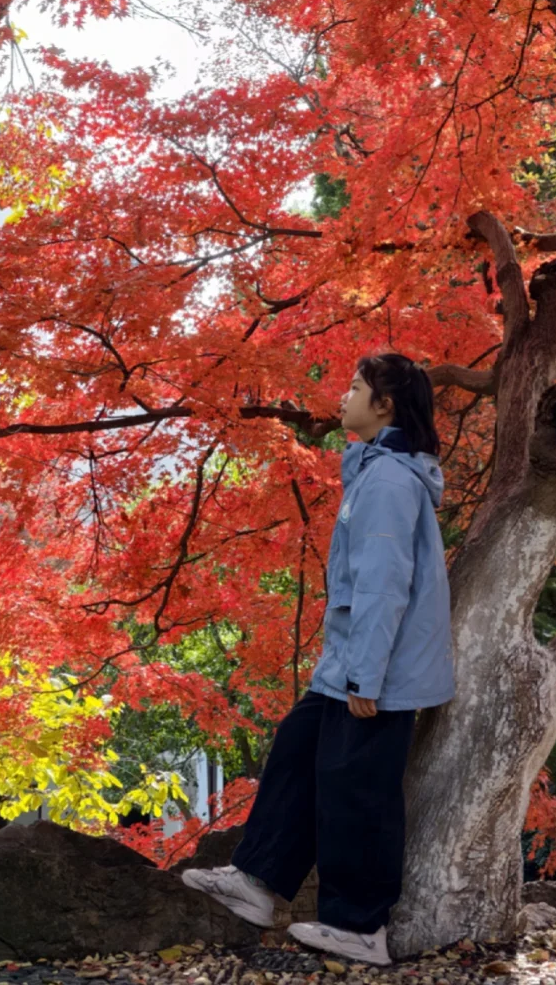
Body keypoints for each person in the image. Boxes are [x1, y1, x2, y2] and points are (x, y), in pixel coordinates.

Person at [182, 351, 454, 966]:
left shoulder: (387, 481)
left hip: (377, 670)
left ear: (384, 405)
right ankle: (258, 884)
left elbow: (385, 584)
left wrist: (367, 676)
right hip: (350, 662)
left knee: (357, 790)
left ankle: (361, 927)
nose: (343, 396)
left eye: (356, 387)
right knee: (298, 749)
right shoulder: (373, 471)